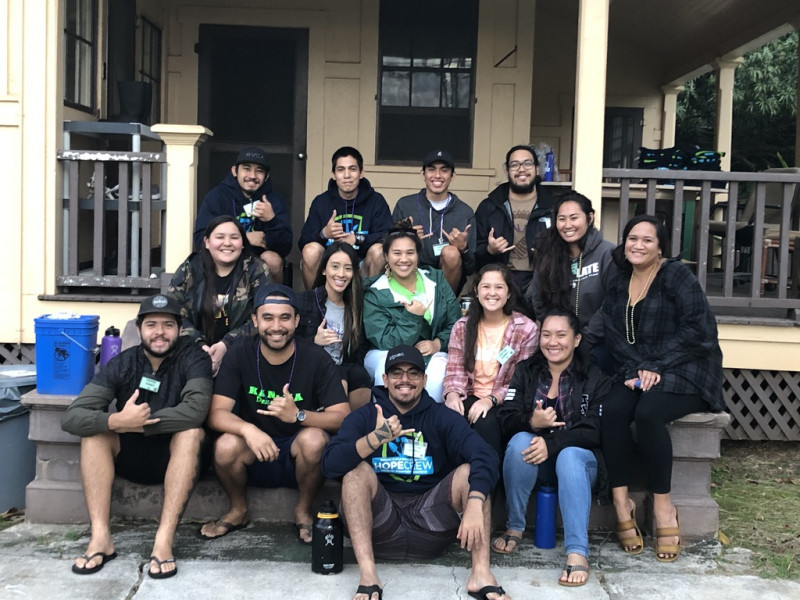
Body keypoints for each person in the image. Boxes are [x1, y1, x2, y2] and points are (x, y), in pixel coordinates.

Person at [322, 345, 512, 600]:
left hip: (430, 521)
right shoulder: (365, 416)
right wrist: (375, 439)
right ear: (385, 380)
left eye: (413, 373)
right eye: (397, 373)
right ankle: (368, 577)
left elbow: (485, 455)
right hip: (381, 521)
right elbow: (330, 464)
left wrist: (476, 501)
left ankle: (480, 574)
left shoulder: (440, 416)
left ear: (424, 380)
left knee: (472, 473)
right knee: (354, 474)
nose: (405, 380)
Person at [601, 214, 725, 562]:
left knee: (649, 412)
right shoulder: (619, 278)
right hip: (640, 370)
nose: (637, 245)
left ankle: (662, 507)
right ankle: (621, 501)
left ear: (660, 248)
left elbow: (698, 330)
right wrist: (633, 368)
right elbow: (613, 333)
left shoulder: (676, 275)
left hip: (688, 367)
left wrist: (654, 365)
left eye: (647, 240)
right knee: (611, 409)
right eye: (632, 238)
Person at [61, 294, 213, 579]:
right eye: (151, 324)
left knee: (192, 433)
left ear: (179, 329)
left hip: (177, 455)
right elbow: (72, 416)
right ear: (140, 329)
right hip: (132, 455)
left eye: (168, 325)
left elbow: (195, 412)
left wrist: (137, 423)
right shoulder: (122, 362)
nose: (159, 332)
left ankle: (163, 540)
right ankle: (101, 538)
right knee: (94, 435)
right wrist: (115, 420)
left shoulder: (194, 357)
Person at [199, 284, 350, 544]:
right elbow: (216, 413)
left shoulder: (315, 358)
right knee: (225, 446)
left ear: (296, 321)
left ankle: (303, 511)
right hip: (254, 449)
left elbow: (343, 417)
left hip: (299, 455)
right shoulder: (241, 353)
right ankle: (238, 509)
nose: (276, 326)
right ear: (255, 320)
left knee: (315, 439)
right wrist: (249, 430)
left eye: (285, 318)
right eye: (268, 318)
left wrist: (300, 416)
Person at [495, 309, 610, 587]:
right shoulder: (526, 370)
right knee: (521, 440)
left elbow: (596, 430)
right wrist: (531, 421)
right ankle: (515, 525)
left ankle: (577, 552)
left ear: (577, 339)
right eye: (546, 334)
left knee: (569, 456)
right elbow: (506, 416)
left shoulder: (594, 375)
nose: (552, 342)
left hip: (581, 466)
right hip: (537, 461)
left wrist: (553, 442)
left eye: (561, 335)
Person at [443, 264, 539, 457]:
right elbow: (455, 371)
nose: (492, 293)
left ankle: (488, 484)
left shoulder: (526, 329)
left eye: (499, 287)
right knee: (447, 418)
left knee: (486, 422)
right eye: (486, 287)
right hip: (468, 394)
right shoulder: (462, 326)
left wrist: (491, 400)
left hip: (505, 401)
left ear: (509, 293)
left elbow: (520, 382)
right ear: (476, 291)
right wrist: (452, 395)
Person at [362, 225, 462, 402]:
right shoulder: (375, 291)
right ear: (386, 256)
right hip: (387, 351)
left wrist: (438, 343)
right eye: (396, 253)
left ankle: (428, 425)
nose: (404, 259)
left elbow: (456, 323)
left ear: (418, 255)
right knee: (387, 367)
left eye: (410, 253)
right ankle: (386, 422)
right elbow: (384, 340)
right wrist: (413, 317)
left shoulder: (436, 280)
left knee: (438, 371)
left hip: (432, 352)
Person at [168, 215, 270, 376]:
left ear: (242, 243)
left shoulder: (255, 269)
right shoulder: (190, 268)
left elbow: (264, 315)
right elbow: (173, 313)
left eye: (234, 237)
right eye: (220, 237)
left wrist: (226, 344)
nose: (227, 243)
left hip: (243, 353)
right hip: (191, 351)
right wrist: (200, 345)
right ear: (207, 242)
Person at [527, 192, 616, 361]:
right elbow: (538, 300)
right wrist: (557, 336)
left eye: (574, 218)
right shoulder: (548, 252)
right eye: (562, 219)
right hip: (557, 343)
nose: (567, 225)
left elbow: (610, 304)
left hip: (596, 342)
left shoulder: (607, 253)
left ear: (589, 218)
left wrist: (585, 340)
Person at [193, 147, 292, 283]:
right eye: (246, 168)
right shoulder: (217, 196)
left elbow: (284, 248)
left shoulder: (273, 200)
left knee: (273, 260)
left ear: (266, 176)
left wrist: (271, 220)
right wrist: (243, 239)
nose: (252, 176)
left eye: (259, 171)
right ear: (235, 171)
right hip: (224, 254)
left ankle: (270, 302)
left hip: (258, 259)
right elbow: (200, 239)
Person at [298, 146, 392, 289]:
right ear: (333, 174)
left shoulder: (376, 201)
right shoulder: (321, 202)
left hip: (362, 265)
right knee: (310, 251)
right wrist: (324, 234)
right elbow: (303, 242)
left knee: (379, 251)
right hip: (329, 265)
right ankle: (315, 304)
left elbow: (387, 236)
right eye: (341, 170)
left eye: (352, 169)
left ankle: (370, 306)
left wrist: (357, 239)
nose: (347, 175)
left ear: (361, 173)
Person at [296, 241, 372, 410]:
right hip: (313, 367)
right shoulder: (305, 301)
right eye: (335, 266)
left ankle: (355, 426)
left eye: (348, 268)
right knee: (338, 375)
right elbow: (288, 343)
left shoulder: (356, 306)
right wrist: (313, 341)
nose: (341, 274)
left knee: (360, 375)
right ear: (324, 270)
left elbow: (360, 351)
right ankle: (334, 426)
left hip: (344, 366)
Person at [392, 150, 476, 293]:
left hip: (449, 281)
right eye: (431, 170)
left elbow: (471, 267)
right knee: (405, 249)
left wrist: (463, 248)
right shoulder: (405, 205)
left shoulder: (465, 212)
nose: (437, 175)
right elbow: (387, 250)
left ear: (452, 175)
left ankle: (443, 308)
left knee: (451, 253)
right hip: (411, 273)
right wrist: (409, 239)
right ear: (422, 174)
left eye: (444, 170)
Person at [475, 145, 556, 291]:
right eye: (514, 165)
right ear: (507, 171)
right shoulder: (490, 206)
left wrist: (547, 252)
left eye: (527, 163)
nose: (521, 169)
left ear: (537, 169)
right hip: (502, 281)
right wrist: (490, 250)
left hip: (542, 280)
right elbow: (474, 255)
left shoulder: (553, 206)